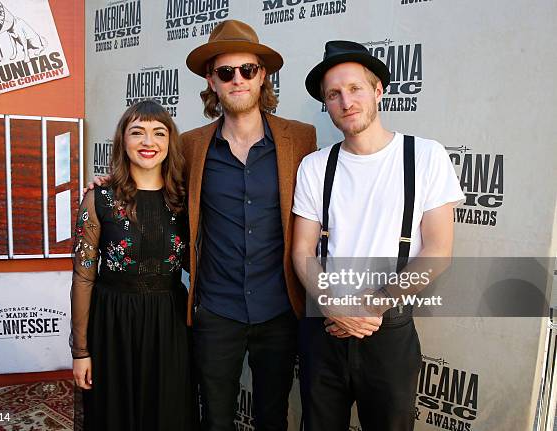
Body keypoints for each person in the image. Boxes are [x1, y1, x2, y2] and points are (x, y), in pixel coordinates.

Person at [292, 41, 464, 430]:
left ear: (378, 90)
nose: (345, 101)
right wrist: (332, 304)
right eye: (333, 94)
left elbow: (439, 251)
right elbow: (302, 249)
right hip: (325, 329)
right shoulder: (316, 166)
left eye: (355, 89)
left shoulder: (426, 156)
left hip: (389, 331)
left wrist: (374, 306)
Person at [182, 20, 316, 431]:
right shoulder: (191, 145)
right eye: (226, 72)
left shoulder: (300, 139)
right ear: (212, 80)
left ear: (263, 76)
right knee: (215, 416)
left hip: (279, 307)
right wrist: (108, 187)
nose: (237, 79)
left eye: (247, 70)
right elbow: (155, 193)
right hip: (216, 308)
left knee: (273, 416)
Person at [70, 100, 195, 430]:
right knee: (114, 414)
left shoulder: (185, 200)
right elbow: (83, 278)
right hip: (112, 322)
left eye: (158, 133)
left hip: (169, 323)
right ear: (122, 141)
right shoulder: (99, 198)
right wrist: (81, 351)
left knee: (167, 413)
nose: (148, 142)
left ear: (170, 142)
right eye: (137, 132)